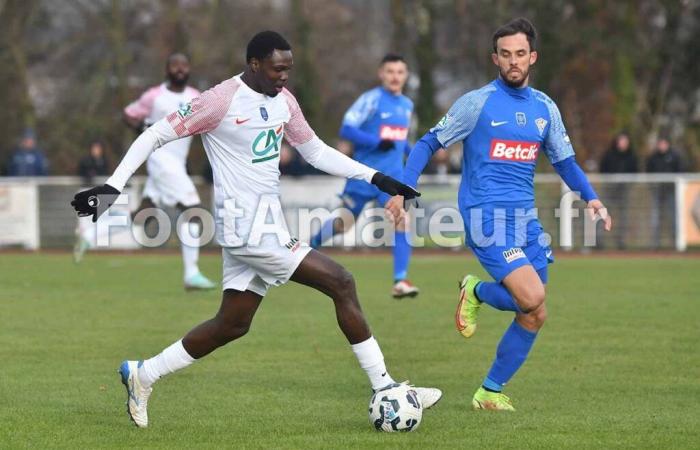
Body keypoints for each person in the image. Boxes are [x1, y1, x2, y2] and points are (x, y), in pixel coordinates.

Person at [70, 31, 441, 428]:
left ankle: (143, 375)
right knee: (341, 281)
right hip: (245, 228)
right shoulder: (219, 100)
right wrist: (113, 185)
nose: (284, 77)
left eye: (289, 69)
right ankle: (385, 387)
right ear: (254, 65)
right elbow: (154, 134)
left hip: (266, 223)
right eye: (277, 69)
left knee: (233, 323)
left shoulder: (284, 101)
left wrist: (377, 178)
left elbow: (314, 150)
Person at [386, 18, 612, 411]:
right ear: (495, 58)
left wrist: (591, 197)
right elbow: (426, 143)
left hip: (525, 219)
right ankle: (474, 289)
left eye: (520, 54)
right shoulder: (477, 102)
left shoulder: (545, 108)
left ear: (533, 57)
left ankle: (489, 391)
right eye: (505, 54)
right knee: (532, 295)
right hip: (485, 215)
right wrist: (403, 189)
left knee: (534, 312)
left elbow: (566, 162)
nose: (513, 61)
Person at [310, 54, 418, 299]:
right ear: (381, 73)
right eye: (390, 71)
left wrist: (417, 155)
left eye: (400, 72)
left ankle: (400, 280)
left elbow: (399, 142)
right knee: (343, 223)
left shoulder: (407, 105)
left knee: (402, 220)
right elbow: (346, 129)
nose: (395, 76)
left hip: (391, 180)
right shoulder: (370, 100)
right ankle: (311, 244)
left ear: (406, 76)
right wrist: (376, 142)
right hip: (364, 176)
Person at [121, 52, 215, 290]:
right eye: (175, 65)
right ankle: (191, 274)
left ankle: (91, 232)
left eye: (184, 65)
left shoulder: (195, 97)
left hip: (176, 162)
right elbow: (129, 114)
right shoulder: (154, 96)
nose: (180, 69)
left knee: (145, 213)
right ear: (167, 70)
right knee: (193, 212)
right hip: (161, 160)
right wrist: (143, 127)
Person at [599, 132, 637, 249]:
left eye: (625, 141)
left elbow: (635, 172)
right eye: (621, 141)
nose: (623, 144)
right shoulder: (609, 155)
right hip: (609, 191)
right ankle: (599, 242)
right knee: (602, 214)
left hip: (624, 191)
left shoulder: (631, 157)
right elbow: (603, 169)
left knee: (623, 218)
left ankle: (621, 242)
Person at [646, 137, 682, 249]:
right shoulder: (653, 158)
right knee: (655, 218)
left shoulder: (674, 156)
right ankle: (655, 244)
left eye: (664, 143)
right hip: (657, 192)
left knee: (674, 217)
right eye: (660, 143)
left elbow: (680, 171)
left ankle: (676, 243)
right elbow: (648, 173)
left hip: (671, 192)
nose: (662, 146)